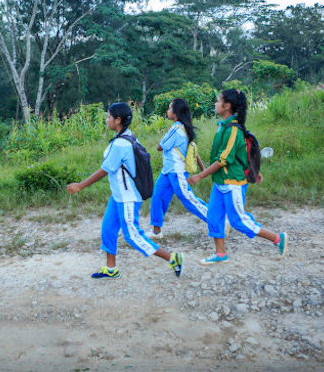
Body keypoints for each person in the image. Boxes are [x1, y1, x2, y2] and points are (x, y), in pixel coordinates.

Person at [66, 102, 184, 279]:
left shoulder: (121, 143)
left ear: (118, 120)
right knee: (108, 229)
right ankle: (111, 269)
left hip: (128, 197)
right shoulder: (127, 135)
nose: (107, 120)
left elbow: (105, 170)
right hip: (118, 195)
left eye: (109, 117)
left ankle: (172, 257)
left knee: (132, 236)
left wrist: (80, 185)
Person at [188, 89, 287, 265]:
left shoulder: (233, 129)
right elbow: (241, 153)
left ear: (227, 106)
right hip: (220, 182)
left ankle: (277, 238)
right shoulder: (224, 126)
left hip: (232, 183)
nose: (216, 104)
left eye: (218, 101)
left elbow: (224, 159)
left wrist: (200, 176)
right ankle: (220, 254)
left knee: (238, 220)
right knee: (213, 217)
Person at [147, 98, 209, 239]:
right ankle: (156, 231)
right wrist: (203, 169)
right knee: (158, 196)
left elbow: (159, 147)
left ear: (176, 113)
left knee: (187, 198)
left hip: (177, 171)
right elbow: (193, 150)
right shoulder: (183, 127)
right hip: (167, 171)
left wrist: (167, 132)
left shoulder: (175, 128)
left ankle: (217, 220)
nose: (167, 111)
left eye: (169, 108)